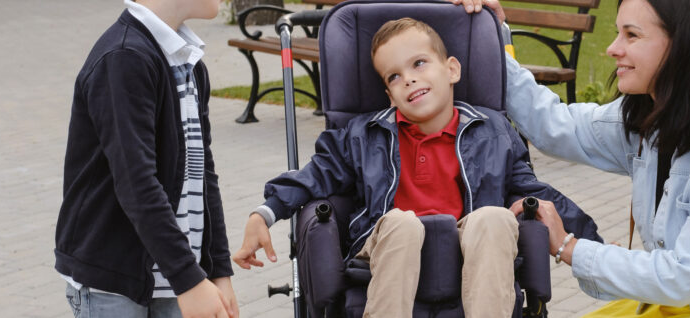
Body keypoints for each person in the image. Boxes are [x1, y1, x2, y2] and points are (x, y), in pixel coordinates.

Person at [454, 0, 690, 316]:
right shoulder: (656, 115)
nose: (613, 48)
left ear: (684, 45)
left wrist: (568, 246)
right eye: (618, 32)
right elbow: (556, 126)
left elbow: (683, 277)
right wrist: (489, 35)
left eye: (632, 35)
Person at [231, 18, 600, 318]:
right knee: (402, 223)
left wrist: (592, 245)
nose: (407, 78)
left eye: (419, 63)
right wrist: (265, 213)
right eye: (393, 76)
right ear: (390, 96)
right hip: (388, 243)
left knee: (495, 218)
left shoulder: (492, 131)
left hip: (467, 244)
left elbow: (536, 193)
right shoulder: (364, 136)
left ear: (452, 69)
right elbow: (315, 175)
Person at [55, 0, 237, 317]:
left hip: (181, 277)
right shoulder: (124, 58)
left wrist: (218, 270)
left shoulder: (188, 60)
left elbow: (204, 176)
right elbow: (136, 183)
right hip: (116, 285)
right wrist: (190, 280)